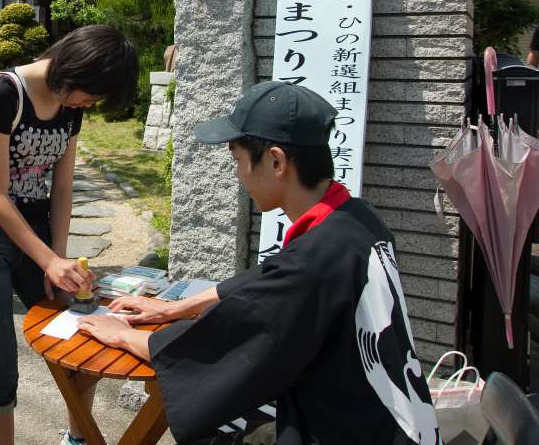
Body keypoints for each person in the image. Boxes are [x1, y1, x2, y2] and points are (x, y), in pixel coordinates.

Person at [79, 81, 441, 445]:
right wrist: (174, 308)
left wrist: (125, 336)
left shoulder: (311, 261)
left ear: (276, 161)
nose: (238, 176)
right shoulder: (354, 219)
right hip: (403, 424)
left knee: (218, 427)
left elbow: (218, 347)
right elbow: (268, 278)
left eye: (238, 161)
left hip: (347, 430)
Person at [0, 25, 139, 445]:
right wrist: (49, 261)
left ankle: (78, 438)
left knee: (81, 331)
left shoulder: (72, 107)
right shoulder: (3, 93)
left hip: (35, 235)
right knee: (0, 365)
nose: (91, 103)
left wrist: (59, 259)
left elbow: (63, 188)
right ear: (75, 69)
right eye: (92, 93)